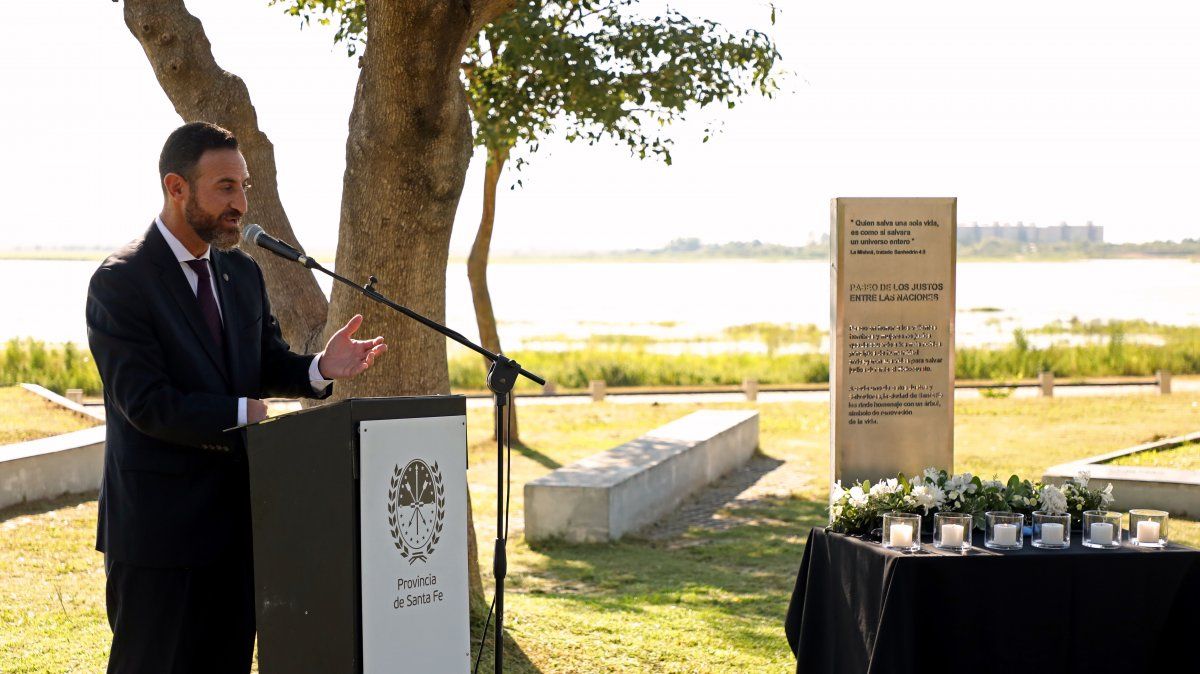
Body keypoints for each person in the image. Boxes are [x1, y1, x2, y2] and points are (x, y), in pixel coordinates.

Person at [86, 121, 386, 673]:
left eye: (244, 187)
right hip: (159, 539)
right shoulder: (121, 281)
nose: (241, 203)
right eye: (226, 187)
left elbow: (265, 362)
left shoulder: (242, 273)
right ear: (176, 188)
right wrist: (242, 413)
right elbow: (146, 402)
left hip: (239, 531)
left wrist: (321, 366)